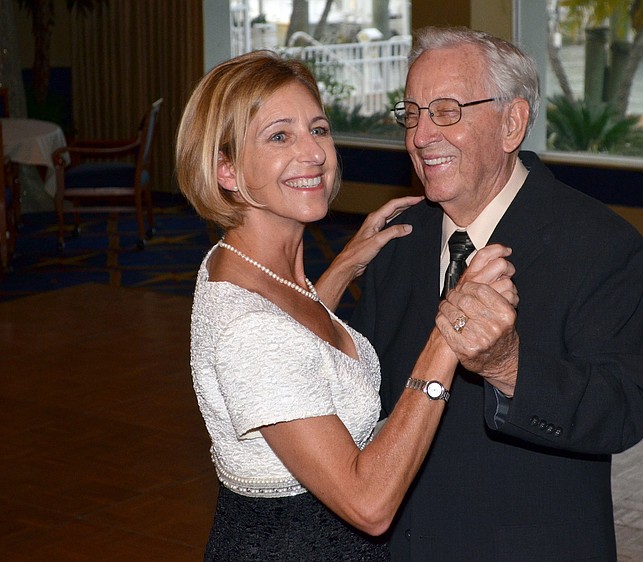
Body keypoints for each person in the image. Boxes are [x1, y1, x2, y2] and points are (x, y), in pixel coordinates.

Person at [175, 50, 518, 560]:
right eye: (279, 136)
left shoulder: (243, 265)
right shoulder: (248, 329)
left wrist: (340, 270)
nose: (313, 153)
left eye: (318, 129)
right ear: (226, 169)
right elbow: (369, 505)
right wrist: (450, 331)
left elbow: (299, 348)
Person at [349, 26, 643, 560]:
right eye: (412, 112)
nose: (422, 135)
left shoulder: (597, 243)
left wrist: (509, 366)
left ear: (512, 123)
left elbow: (626, 410)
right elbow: (366, 400)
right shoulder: (396, 241)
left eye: (447, 111)